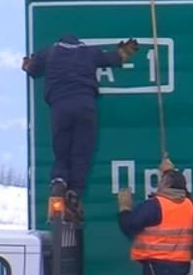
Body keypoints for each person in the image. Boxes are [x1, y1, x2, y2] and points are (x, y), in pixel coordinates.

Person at [23, 34, 139, 214]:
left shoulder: (50, 52)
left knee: (61, 152)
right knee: (81, 152)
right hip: (85, 106)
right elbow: (116, 58)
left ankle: (59, 181)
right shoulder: (89, 52)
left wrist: (28, 64)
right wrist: (123, 52)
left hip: (60, 106)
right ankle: (75, 194)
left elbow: (31, 69)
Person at [117, 165, 193, 275]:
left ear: (166, 185)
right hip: (182, 268)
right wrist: (170, 170)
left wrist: (124, 209)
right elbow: (185, 191)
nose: (158, 185)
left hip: (158, 267)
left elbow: (130, 226)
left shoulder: (156, 205)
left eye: (161, 181)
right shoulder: (188, 205)